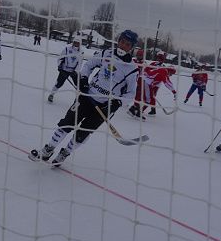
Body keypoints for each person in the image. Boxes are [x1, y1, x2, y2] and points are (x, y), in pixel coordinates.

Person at [29, 30, 139, 167]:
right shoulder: (106, 53)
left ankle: (65, 153)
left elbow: (131, 94)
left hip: (105, 107)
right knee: (67, 122)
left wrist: (117, 103)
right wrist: (83, 78)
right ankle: (48, 149)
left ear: (132, 47)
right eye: (122, 41)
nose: (123, 46)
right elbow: (89, 65)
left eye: (127, 44)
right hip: (87, 96)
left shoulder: (132, 69)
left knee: (83, 133)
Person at [48, 36, 84, 103]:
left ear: (80, 44)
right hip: (64, 69)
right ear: (73, 42)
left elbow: (80, 63)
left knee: (78, 85)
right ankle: (51, 94)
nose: (76, 44)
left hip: (73, 71)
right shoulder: (67, 49)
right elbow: (60, 58)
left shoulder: (81, 53)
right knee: (59, 83)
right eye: (75, 42)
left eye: (78, 43)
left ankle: (79, 100)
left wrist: (75, 71)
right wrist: (60, 66)